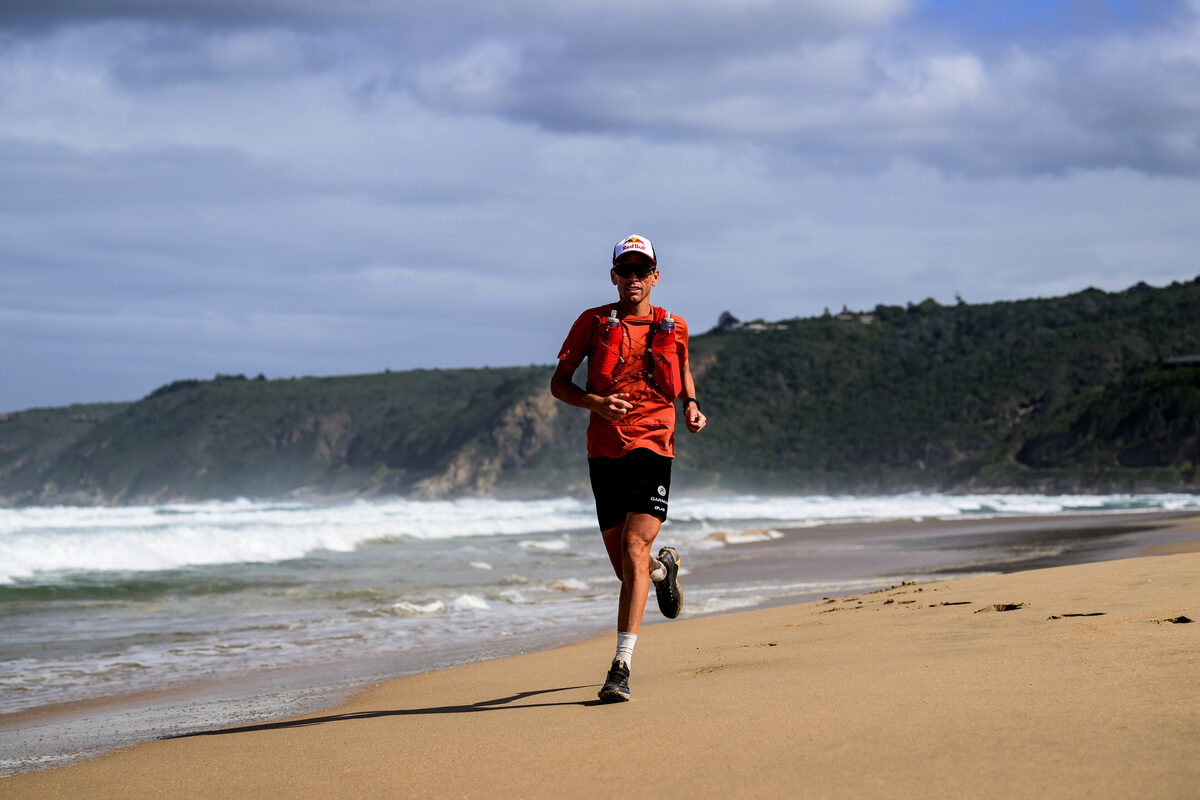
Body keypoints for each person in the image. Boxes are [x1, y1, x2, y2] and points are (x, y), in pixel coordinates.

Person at [550, 234, 707, 703]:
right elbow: (559, 384)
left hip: (654, 443)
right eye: (625, 270)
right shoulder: (592, 321)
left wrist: (691, 404)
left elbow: (682, 369)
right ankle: (663, 572)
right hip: (604, 449)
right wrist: (595, 402)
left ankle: (621, 666)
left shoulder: (673, 325)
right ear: (614, 276)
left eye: (642, 270)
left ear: (655, 276)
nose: (633, 278)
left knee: (635, 545)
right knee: (628, 569)